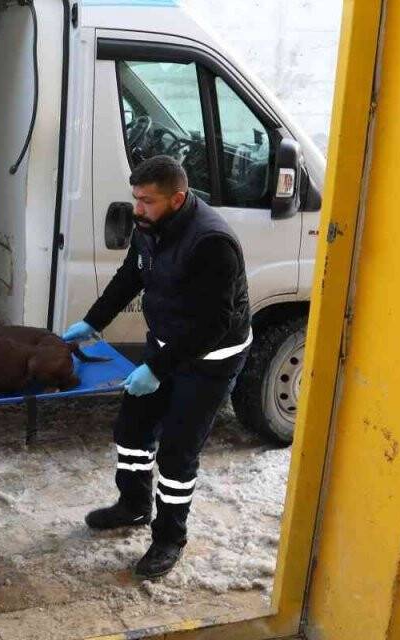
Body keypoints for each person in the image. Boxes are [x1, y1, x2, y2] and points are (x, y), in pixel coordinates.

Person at [62, 155, 252, 579]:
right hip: (167, 344)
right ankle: (133, 506)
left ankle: (169, 538)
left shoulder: (211, 243)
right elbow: (131, 275)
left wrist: (158, 369)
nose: (137, 209)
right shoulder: (149, 227)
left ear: (178, 198)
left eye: (146, 200)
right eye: (135, 198)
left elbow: (213, 325)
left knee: (177, 454)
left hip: (210, 359)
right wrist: (93, 321)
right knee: (131, 430)